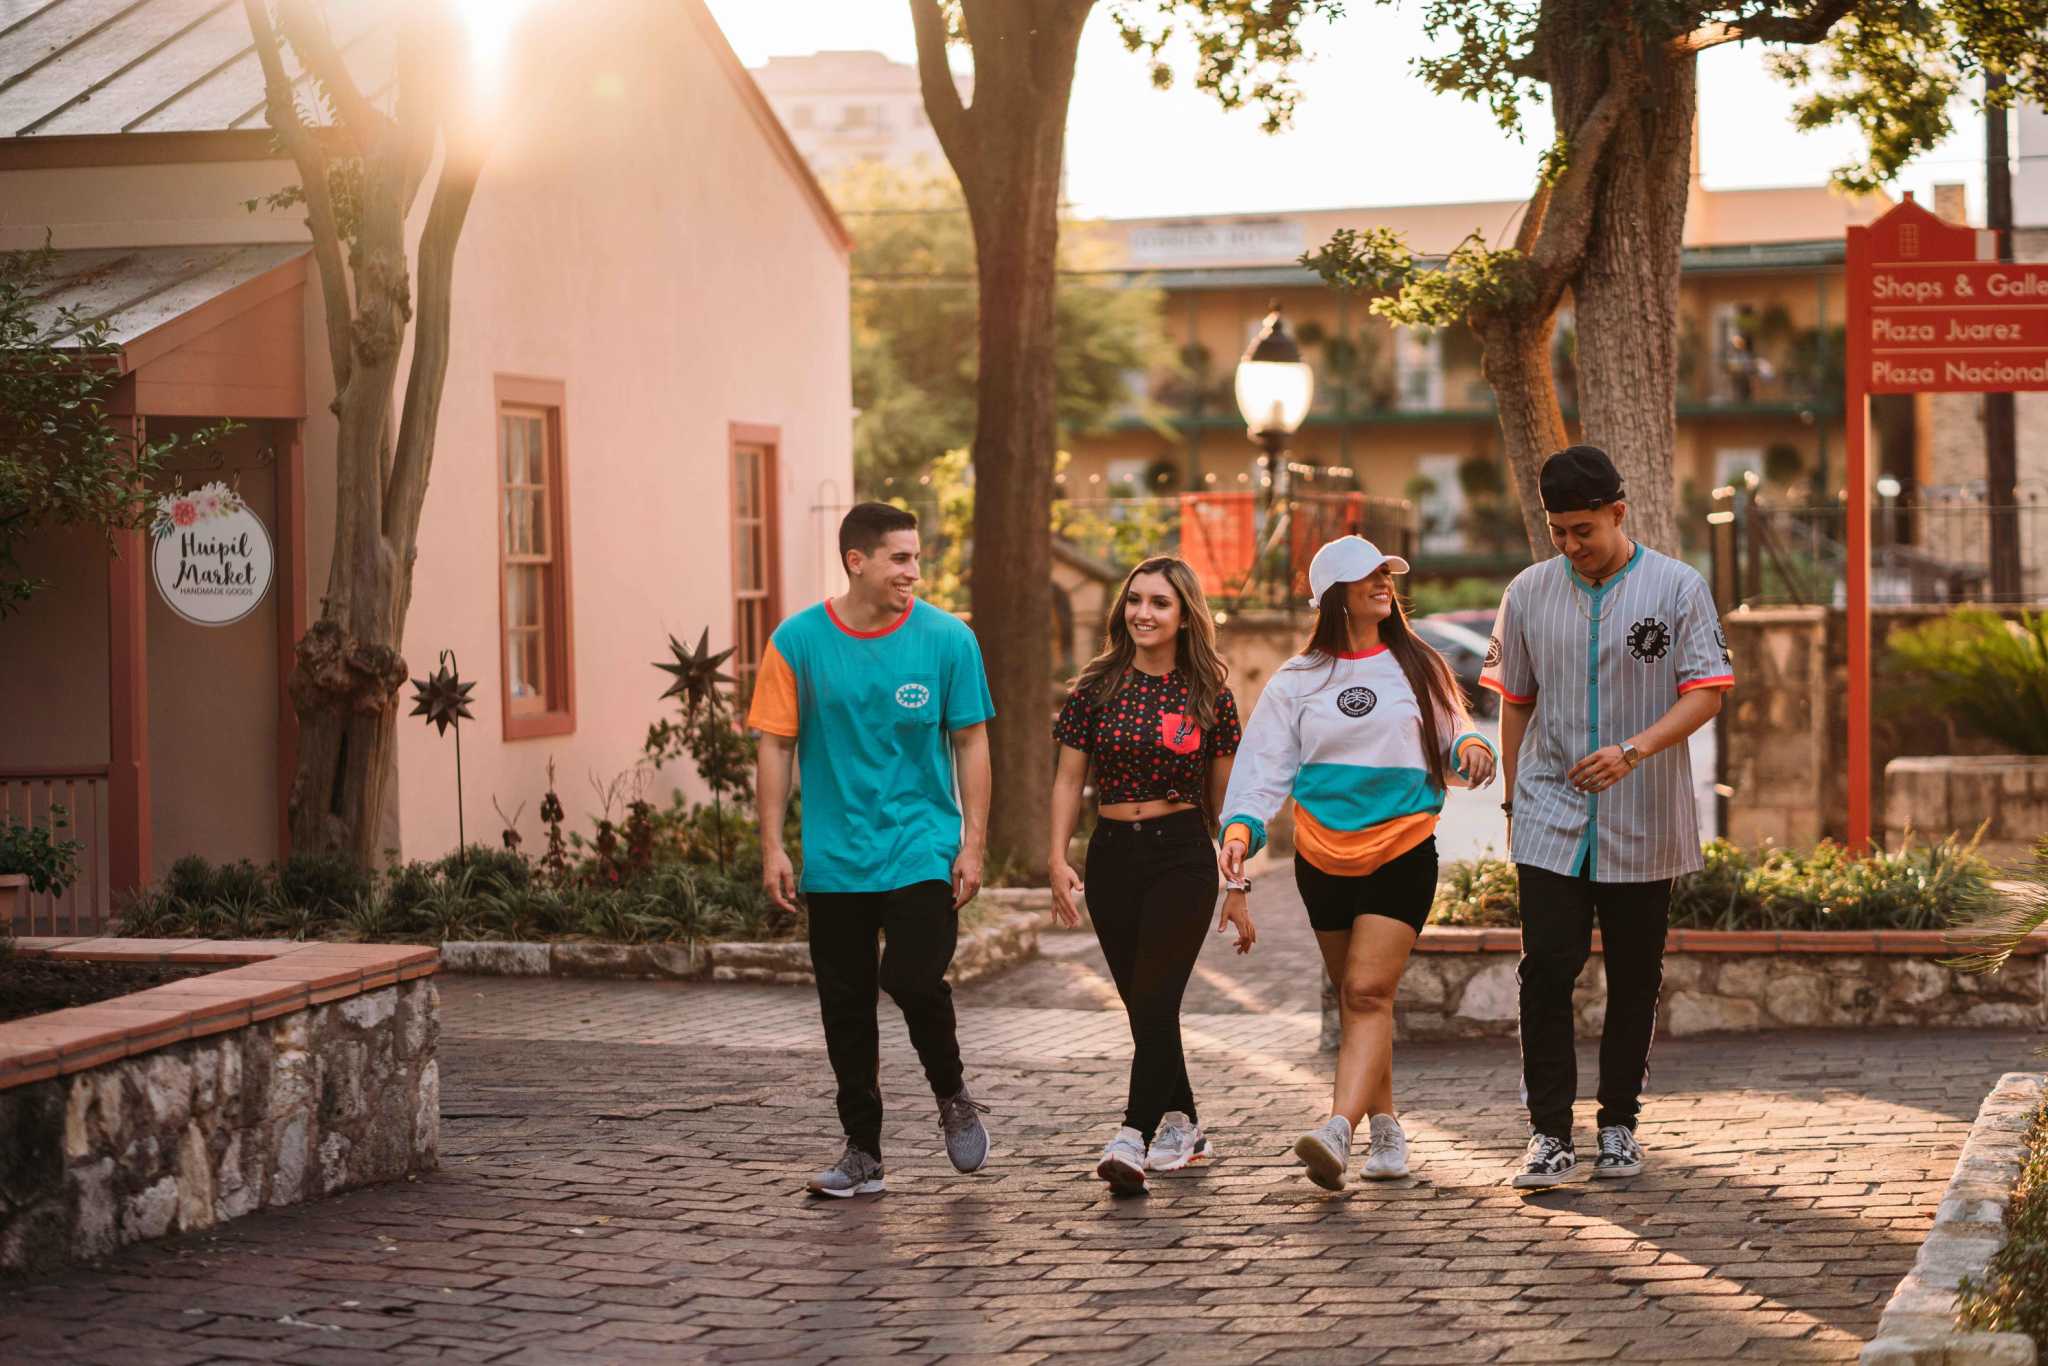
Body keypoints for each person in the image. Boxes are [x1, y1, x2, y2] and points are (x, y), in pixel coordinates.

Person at [1479, 445, 1734, 1189]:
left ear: (1619, 514)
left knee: (1633, 977)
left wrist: (1633, 750)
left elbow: (1707, 691)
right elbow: (1515, 701)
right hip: (1549, 814)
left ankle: (1619, 1123)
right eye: (1559, 531)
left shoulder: (1679, 587)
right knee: (1546, 971)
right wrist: (1513, 802)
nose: (1569, 545)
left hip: (1643, 811)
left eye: (1582, 529)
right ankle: (1548, 1135)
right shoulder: (1527, 592)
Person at [1218, 536, 1497, 1191]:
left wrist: (1475, 748)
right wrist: (1240, 830)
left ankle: (1338, 1129)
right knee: (1359, 1000)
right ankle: (1388, 1129)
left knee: (1368, 993)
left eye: (1386, 574)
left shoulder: (1417, 663)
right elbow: (1263, 769)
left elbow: (1456, 730)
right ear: (1333, 595)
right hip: (1322, 856)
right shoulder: (1297, 681)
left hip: (1402, 848)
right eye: (1367, 575)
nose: (1383, 582)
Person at [748, 502, 996, 1198]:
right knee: (845, 1004)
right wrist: (773, 844)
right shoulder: (798, 642)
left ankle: (952, 1095)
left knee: (912, 979)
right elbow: (776, 744)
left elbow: (972, 742)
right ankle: (863, 1151)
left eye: (916, 558)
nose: (913, 572)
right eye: (899, 558)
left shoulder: (948, 640)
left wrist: (973, 844)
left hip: (921, 848)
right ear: (857, 561)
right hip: (835, 857)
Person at [1048, 556, 1251, 1195]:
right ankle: (1185, 1124)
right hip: (1111, 855)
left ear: (1185, 614)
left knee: (1158, 999)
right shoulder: (1096, 687)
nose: (1143, 613)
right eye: (1135, 600)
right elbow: (1067, 779)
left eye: (1160, 603)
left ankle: (1131, 1136)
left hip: (1181, 854)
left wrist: (1237, 886)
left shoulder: (1209, 694)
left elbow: (1228, 805)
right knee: (1146, 1007)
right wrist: (1057, 858)